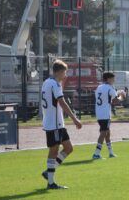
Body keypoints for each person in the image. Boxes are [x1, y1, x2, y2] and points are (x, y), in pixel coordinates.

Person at [41, 60, 82, 190]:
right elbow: (62, 103)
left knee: (69, 148)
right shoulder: (55, 84)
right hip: (54, 124)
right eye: (64, 71)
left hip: (56, 123)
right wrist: (75, 119)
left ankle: (49, 172)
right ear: (58, 72)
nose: (66, 74)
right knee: (53, 151)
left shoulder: (47, 82)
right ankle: (51, 183)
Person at [93, 72, 125, 159]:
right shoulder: (110, 88)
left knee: (107, 133)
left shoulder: (99, 87)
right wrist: (122, 96)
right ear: (108, 79)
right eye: (112, 78)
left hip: (99, 113)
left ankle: (111, 152)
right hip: (105, 114)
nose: (113, 80)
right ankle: (96, 153)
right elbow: (116, 101)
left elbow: (107, 101)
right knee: (104, 132)